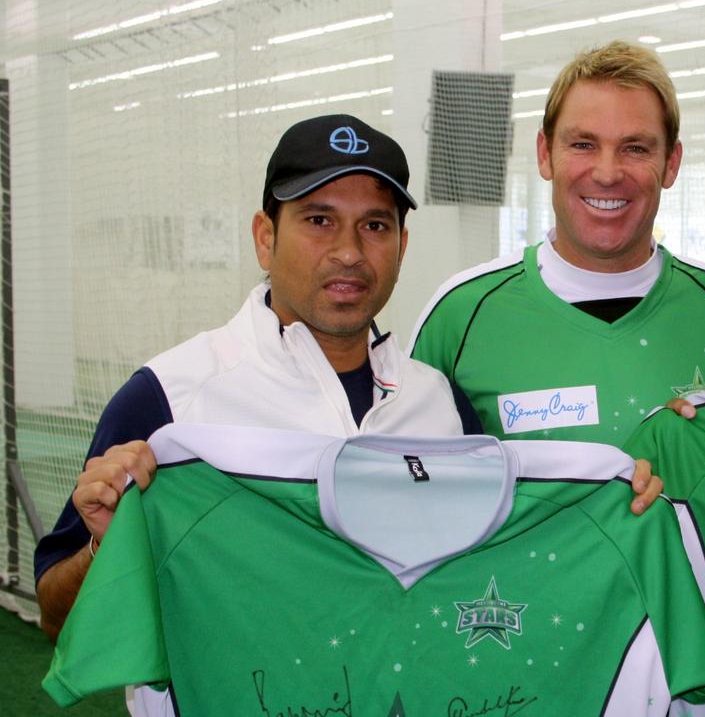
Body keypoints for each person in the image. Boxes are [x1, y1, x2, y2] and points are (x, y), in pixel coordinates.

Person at [33, 113, 664, 653]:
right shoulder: (169, 397)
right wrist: (101, 548)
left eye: (375, 225)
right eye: (317, 220)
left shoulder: (438, 402)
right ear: (264, 236)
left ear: (402, 244)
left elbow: (500, 568)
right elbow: (57, 618)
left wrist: (613, 505)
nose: (349, 251)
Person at [410, 41, 705, 448]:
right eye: (583, 144)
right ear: (545, 154)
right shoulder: (459, 316)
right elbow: (415, 487)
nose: (607, 173)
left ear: (671, 163)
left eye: (635, 148)